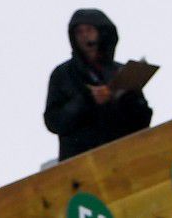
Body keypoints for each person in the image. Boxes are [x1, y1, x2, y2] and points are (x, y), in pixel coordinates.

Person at [44, 8, 152, 161]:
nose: (84, 36)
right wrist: (88, 100)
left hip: (124, 156)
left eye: (89, 30)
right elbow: (54, 121)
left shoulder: (120, 71)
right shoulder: (63, 74)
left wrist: (129, 98)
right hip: (82, 162)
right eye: (79, 32)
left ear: (101, 32)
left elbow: (142, 120)